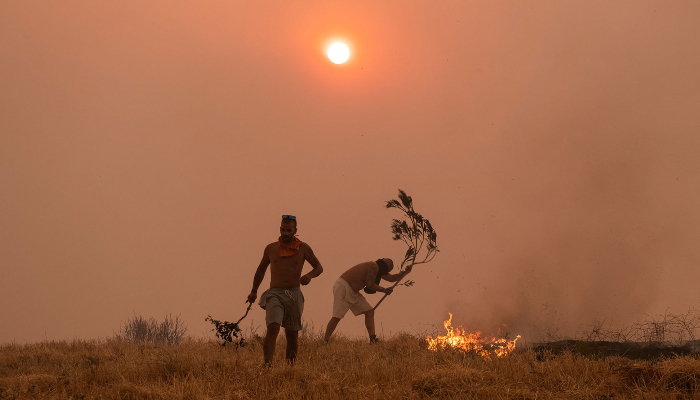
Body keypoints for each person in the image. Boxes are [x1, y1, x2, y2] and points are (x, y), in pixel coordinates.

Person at [246, 215, 323, 367]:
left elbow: (319, 267)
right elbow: (261, 269)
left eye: (289, 230)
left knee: (292, 334)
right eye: (283, 230)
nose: (285, 233)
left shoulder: (304, 248)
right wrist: (254, 291)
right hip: (275, 293)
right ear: (280, 229)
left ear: (295, 230)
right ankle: (267, 365)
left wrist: (309, 276)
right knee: (273, 328)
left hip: (294, 294)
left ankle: (290, 368)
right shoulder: (271, 248)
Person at [323, 258, 411, 344]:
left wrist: (405, 272)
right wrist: (384, 290)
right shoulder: (374, 266)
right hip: (344, 287)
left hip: (353, 292)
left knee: (369, 311)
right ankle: (325, 340)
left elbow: (392, 278)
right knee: (337, 316)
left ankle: (373, 339)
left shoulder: (379, 271)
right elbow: (370, 285)